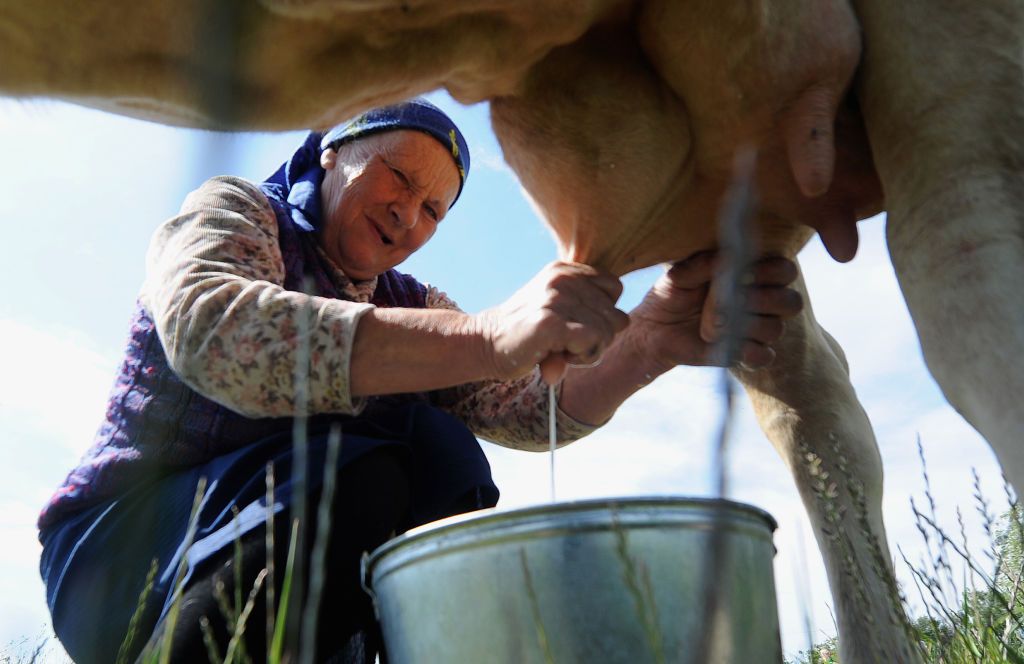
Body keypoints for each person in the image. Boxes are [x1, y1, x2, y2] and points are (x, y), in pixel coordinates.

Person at [36, 99, 802, 663]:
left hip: (278, 567)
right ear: (334, 150)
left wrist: (652, 341)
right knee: (371, 454)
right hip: (118, 558)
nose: (409, 213)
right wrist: (493, 333)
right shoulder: (239, 214)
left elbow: (525, 410)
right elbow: (217, 331)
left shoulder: (415, 305)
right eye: (398, 175)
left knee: (443, 452)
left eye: (434, 207)